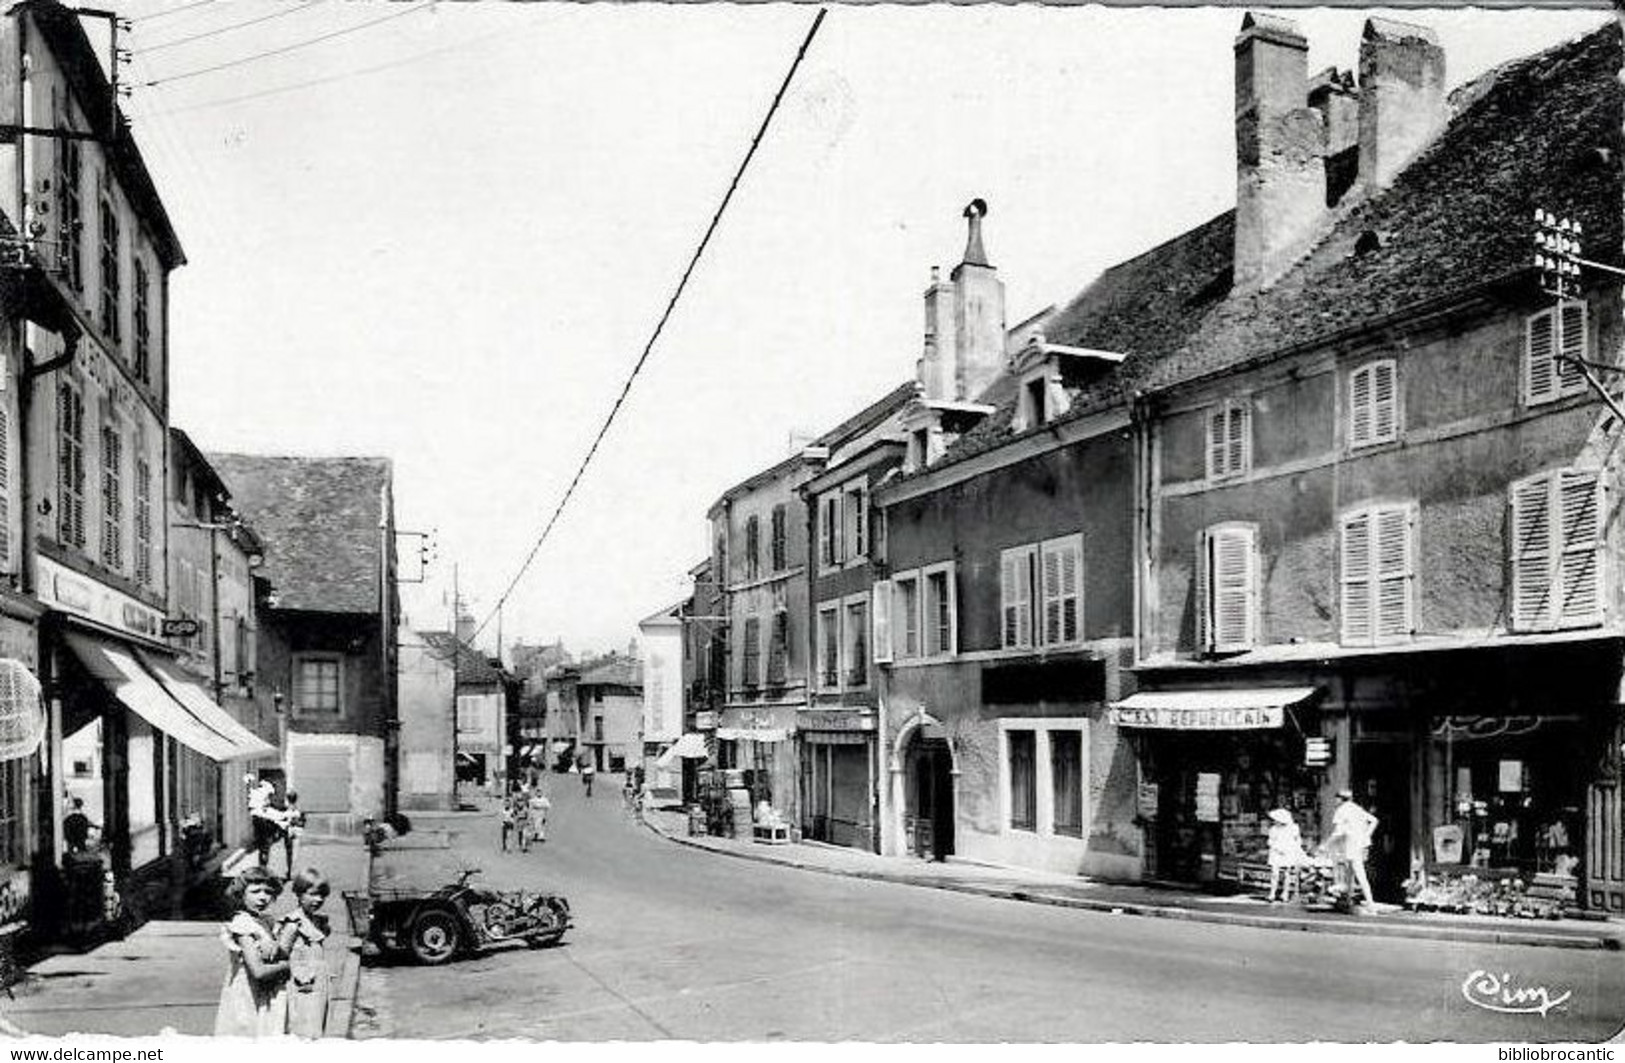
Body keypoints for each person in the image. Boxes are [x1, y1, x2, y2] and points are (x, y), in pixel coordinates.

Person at [214, 865, 289, 1037]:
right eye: (255, 892)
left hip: (262, 993)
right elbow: (258, 971)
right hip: (246, 994)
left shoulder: (265, 921)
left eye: (268, 892)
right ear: (241, 895)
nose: (263, 898)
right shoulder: (243, 924)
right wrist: (290, 965)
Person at [278, 868, 332, 1038]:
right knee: (302, 1029)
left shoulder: (316, 921)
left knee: (317, 1027)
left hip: (318, 984)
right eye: (312, 894)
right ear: (299, 894)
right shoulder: (294, 924)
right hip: (301, 986)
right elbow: (281, 956)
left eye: (322, 895)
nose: (318, 900)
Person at [1328, 788, 1380, 909]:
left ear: (1340, 799)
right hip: (1360, 843)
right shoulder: (1356, 808)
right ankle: (1348, 899)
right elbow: (1374, 820)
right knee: (1350, 873)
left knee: (1358, 872)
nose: (1335, 800)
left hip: (1351, 844)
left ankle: (1370, 901)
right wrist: (1366, 835)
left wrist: (1328, 843)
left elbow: (1338, 831)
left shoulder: (1341, 811)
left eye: (1337, 798)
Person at [1266, 808, 1307, 903]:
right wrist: (1276, 847)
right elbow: (1270, 841)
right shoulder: (1273, 829)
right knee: (1274, 873)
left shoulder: (1293, 828)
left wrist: (1296, 850)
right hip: (1276, 852)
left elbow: (1297, 840)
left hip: (1288, 852)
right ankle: (1272, 893)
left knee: (1287, 874)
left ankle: (1285, 893)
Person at [246, 775, 284, 869]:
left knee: (263, 848)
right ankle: (263, 866)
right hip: (264, 826)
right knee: (264, 848)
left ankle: (262, 866)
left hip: (262, 826)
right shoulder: (265, 799)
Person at [281, 792, 306, 877]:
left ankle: (289, 870)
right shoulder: (299, 810)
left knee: (289, 852)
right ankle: (292, 871)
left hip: (287, 831)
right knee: (295, 852)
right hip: (297, 831)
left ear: (287, 799)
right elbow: (303, 821)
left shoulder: (285, 809)